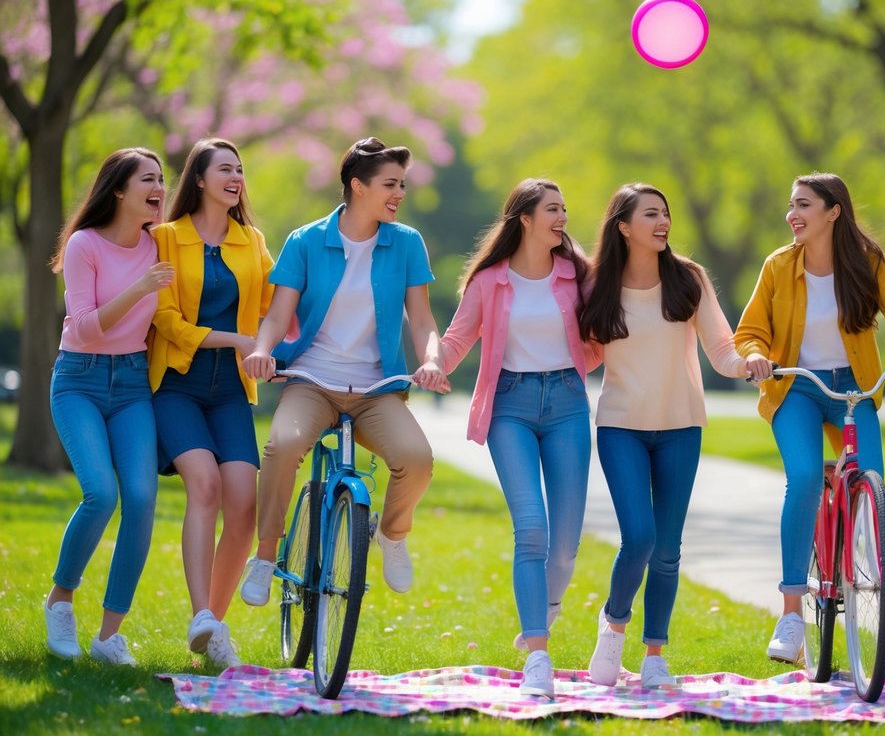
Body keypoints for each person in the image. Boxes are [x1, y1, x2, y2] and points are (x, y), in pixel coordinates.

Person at [734, 172, 885, 663]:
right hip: (798, 387)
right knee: (805, 477)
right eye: (791, 204)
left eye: (803, 204)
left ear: (833, 212)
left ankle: (852, 559)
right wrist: (756, 356)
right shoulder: (778, 266)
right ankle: (791, 615)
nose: (792, 213)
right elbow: (750, 330)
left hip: (854, 386)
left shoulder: (866, 263)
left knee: (871, 480)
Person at [238, 137, 448, 608]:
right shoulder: (307, 240)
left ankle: (392, 535)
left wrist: (431, 359)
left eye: (402, 185)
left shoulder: (407, 243)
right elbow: (277, 315)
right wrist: (263, 350)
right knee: (283, 445)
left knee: (416, 459)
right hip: (312, 380)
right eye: (390, 184)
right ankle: (266, 555)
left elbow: (422, 318)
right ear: (358, 186)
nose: (400, 194)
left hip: (376, 388)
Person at [580, 182, 763, 689]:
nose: (663, 222)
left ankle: (654, 654)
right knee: (638, 536)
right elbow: (580, 352)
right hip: (620, 427)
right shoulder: (599, 286)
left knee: (667, 547)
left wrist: (748, 364)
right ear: (623, 226)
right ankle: (613, 629)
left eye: (665, 214)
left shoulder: (689, 278)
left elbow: (722, 348)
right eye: (650, 214)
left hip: (682, 426)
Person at [436, 178, 599, 698]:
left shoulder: (580, 276)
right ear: (525, 218)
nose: (563, 217)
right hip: (511, 406)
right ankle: (537, 654)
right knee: (531, 529)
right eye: (553, 208)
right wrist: (434, 364)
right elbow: (459, 336)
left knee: (567, 543)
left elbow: (609, 328)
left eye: (565, 208)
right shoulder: (490, 280)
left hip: (569, 403)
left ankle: (544, 605)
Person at [45, 147, 175, 665]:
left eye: (162, 179)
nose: (160, 187)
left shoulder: (160, 243)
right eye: (148, 178)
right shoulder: (85, 244)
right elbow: (83, 327)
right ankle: (60, 600)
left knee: (142, 499)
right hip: (78, 380)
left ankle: (107, 637)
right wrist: (141, 286)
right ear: (119, 190)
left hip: (132, 384)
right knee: (100, 493)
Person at [148, 138, 274, 667]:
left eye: (240, 169)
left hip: (231, 392)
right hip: (177, 383)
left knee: (243, 504)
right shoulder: (166, 238)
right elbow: (165, 318)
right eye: (225, 168)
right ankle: (201, 611)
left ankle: (213, 630)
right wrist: (236, 341)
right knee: (205, 484)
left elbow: (274, 305)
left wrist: (267, 343)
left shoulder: (253, 241)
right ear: (198, 179)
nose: (236, 177)